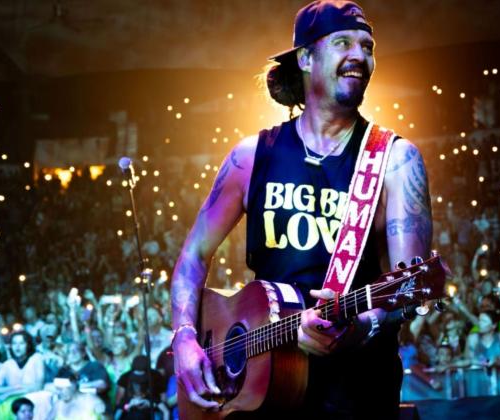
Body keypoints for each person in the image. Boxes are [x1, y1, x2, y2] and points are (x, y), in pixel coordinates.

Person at [171, 1, 433, 417]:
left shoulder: (395, 161)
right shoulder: (252, 155)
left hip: (357, 395)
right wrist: (185, 337)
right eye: (343, 42)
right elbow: (193, 255)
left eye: (367, 47)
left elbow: (405, 293)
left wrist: (358, 328)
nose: (359, 56)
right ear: (306, 58)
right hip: (260, 397)